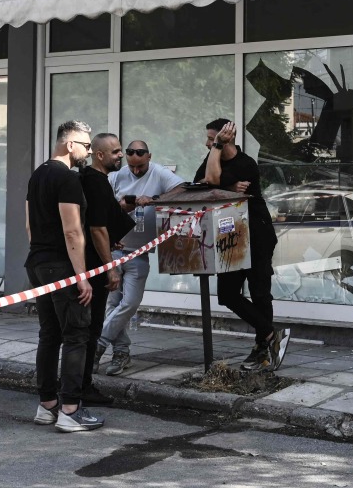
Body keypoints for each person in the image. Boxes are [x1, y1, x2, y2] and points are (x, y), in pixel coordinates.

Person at [25, 120, 104, 432]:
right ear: (69, 145)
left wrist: (40, 257)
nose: (88, 150)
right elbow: (73, 229)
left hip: (38, 263)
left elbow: (30, 225)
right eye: (85, 145)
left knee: (49, 334)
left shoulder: (38, 174)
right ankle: (70, 410)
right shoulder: (67, 178)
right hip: (62, 266)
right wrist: (81, 276)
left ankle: (47, 406)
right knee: (76, 335)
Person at [194, 119, 289, 371]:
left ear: (225, 139)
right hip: (229, 237)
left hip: (256, 235)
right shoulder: (210, 159)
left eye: (212, 139)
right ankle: (270, 334)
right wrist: (226, 187)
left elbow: (211, 181)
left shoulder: (246, 163)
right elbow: (201, 185)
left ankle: (262, 349)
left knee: (259, 293)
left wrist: (218, 183)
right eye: (209, 140)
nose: (208, 143)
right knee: (226, 295)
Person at [97, 139, 183, 376]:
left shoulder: (159, 173)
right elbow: (104, 207)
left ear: (149, 157)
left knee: (131, 302)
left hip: (139, 252)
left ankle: (99, 343)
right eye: (132, 166)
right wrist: (124, 205)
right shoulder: (117, 176)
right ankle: (121, 353)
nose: (135, 171)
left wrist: (154, 199)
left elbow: (181, 190)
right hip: (114, 249)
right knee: (112, 304)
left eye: (140, 167)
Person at [78, 133, 131, 405]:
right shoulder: (96, 183)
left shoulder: (95, 180)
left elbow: (102, 224)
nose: (120, 155)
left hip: (91, 262)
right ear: (99, 155)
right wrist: (109, 267)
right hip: (93, 267)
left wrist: (111, 235)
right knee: (90, 327)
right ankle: (81, 386)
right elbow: (96, 227)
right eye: (115, 151)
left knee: (89, 326)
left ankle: (78, 383)